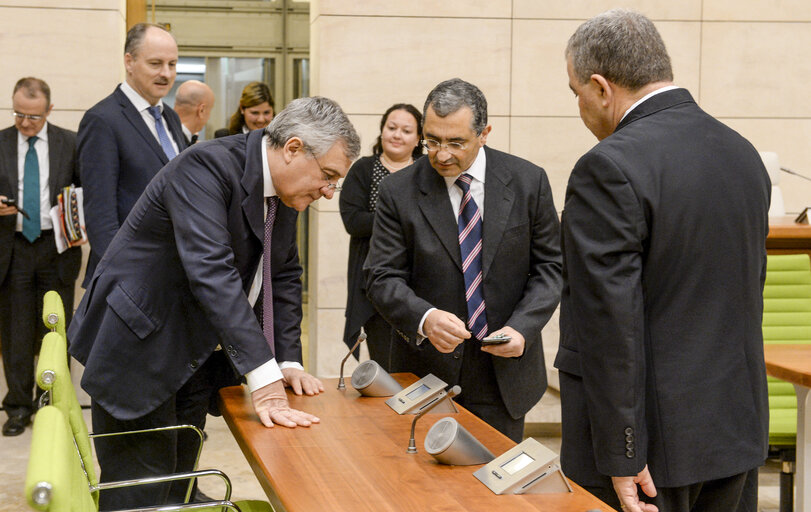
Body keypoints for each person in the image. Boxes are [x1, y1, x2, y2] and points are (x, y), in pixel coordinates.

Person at [68, 96, 360, 509]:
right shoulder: (205, 166)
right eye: (328, 176)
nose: (329, 192)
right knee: (139, 494)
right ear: (293, 149)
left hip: (192, 350)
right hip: (139, 345)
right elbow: (212, 274)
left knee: (179, 485)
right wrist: (264, 379)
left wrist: (287, 361)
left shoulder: (287, 189)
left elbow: (282, 275)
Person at [556, 9, 770, 512]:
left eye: (575, 93)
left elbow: (610, 326)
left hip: (649, 453)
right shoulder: (743, 153)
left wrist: (621, 453)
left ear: (601, 87)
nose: (580, 107)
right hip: (733, 434)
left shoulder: (607, 167)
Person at [364, 78, 562, 442]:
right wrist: (425, 317)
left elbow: (550, 268)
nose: (441, 154)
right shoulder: (398, 191)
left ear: (484, 133)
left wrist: (523, 327)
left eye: (456, 142)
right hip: (425, 370)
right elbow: (381, 276)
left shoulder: (527, 181)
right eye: (432, 140)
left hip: (503, 370)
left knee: (494, 487)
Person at [0, 77, 82, 437]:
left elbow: (86, 192)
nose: (25, 122)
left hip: (56, 247)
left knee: (54, 329)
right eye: (19, 114)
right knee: (15, 330)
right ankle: (17, 407)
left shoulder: (71, 143)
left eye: (33, 116)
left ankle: (50, 402)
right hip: (13, 246)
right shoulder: (1, 141)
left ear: (49, 110)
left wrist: (78, 225)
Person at [78, 22, 186, 287]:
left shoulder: (169, 116)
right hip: (127, 281)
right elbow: (100, 217)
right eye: (155, 63)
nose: (166, 73)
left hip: (170, 273)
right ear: (129, 61)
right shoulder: (102, 120)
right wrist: (126, 278)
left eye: (172, 64)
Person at [339, 103, 423, 370]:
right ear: (382, 130)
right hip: (374, 281)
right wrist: (405, 222)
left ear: (419, 138)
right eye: (392, 128)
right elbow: (354, 221)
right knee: (385, 364)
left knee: (420, 365)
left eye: (406, 130)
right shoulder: (363, 169)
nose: (397, 135)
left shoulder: (427, 172)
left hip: (423, 281)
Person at [173, 80, 215, 145]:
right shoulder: (180, 146)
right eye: (209, 111)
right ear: (201, 110)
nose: (209, 117)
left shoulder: (164, 137)